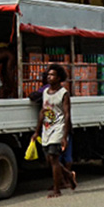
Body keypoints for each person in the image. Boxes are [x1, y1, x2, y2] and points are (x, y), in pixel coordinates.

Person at [31, 64, 73, 197]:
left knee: (54, 159)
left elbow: (67, 114)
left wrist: (64, 136)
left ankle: (57, 189)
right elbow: (43, 112)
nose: (49, 77)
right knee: (49, 158)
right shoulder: (45, 92)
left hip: (59, 128)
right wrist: (37, 131)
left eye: (52, 75)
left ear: (59, 77)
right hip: (47, 128)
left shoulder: (63, 93)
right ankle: (68, 175)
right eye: (48, 75)